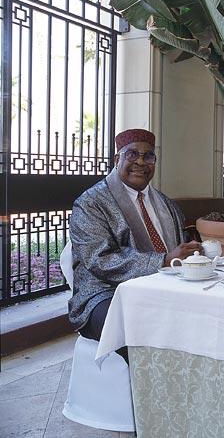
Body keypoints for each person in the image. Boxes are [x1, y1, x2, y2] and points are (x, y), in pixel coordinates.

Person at [68, 128, 201, 344]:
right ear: (117, 159)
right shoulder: (90, 203)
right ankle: (151, 378)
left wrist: (195, 252)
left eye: (148, 156)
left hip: (165, 288)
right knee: (148, 327)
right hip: (104, 293)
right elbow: (100, 260)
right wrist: (163, 260)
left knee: (204, 316)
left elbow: (181, 248)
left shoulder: (167, 204)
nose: (140, 162)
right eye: (132, 154)